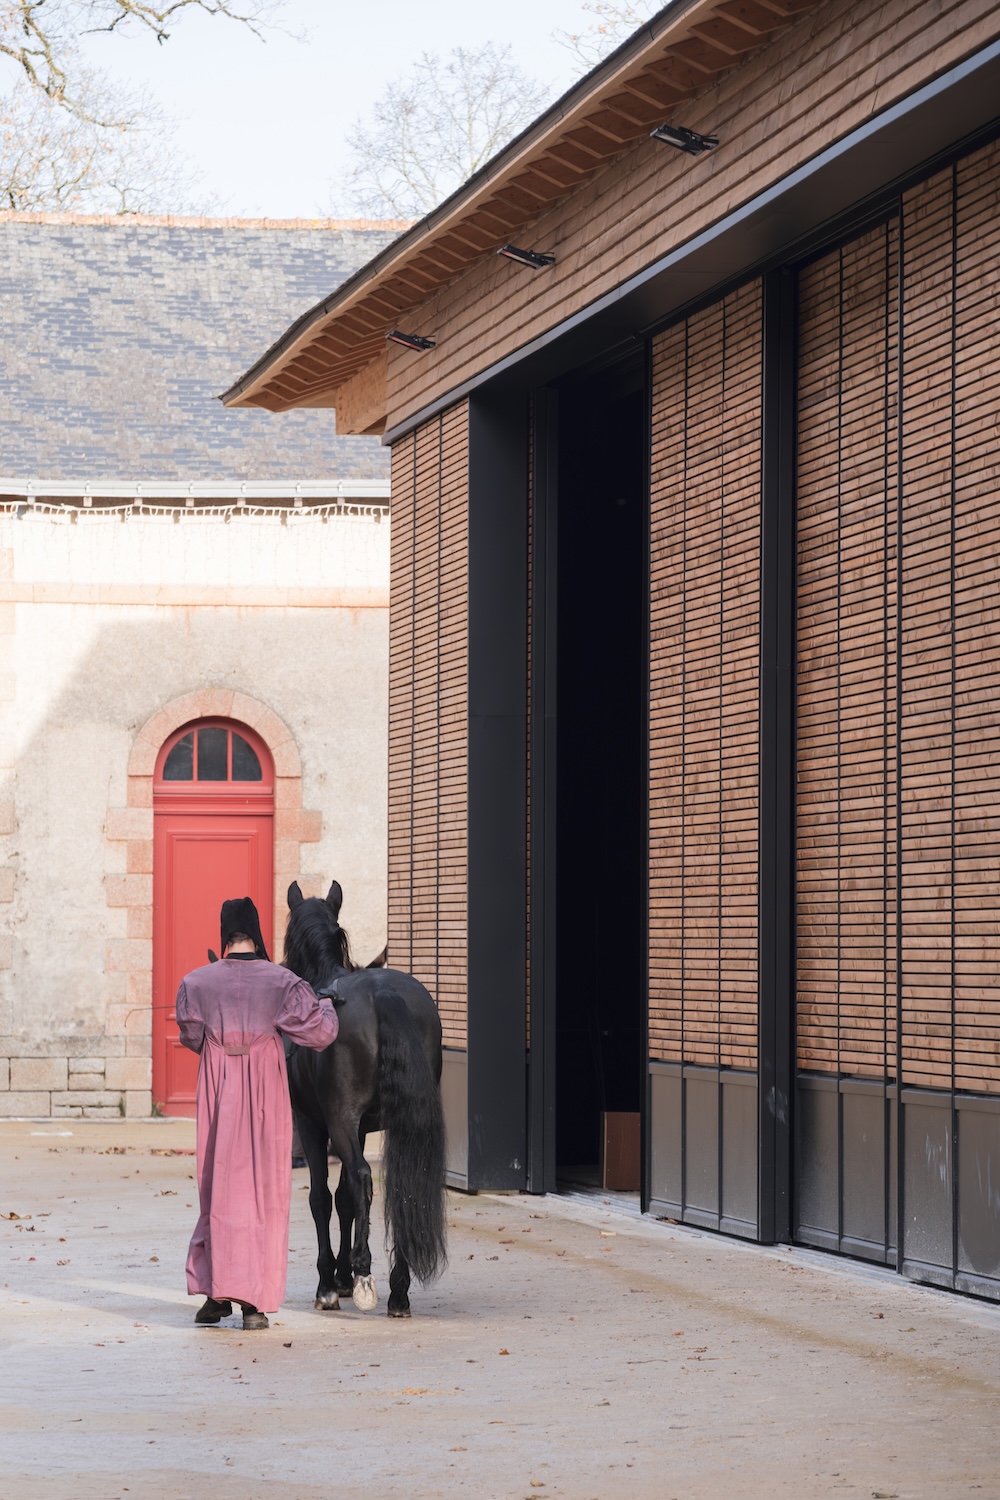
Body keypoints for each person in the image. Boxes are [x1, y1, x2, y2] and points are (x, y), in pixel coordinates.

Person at [176, 895, 338, 1331]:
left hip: (219, 1092)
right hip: (265, 1092)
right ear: (256, 932)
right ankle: (254, 1305)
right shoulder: (283, 982)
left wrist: (221, 1042)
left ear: (224, 935)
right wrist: (326, 1004)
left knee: (219, 1189)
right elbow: (320, 1034)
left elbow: (191, 1035)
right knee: (264, 1190)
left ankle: (216, 1294)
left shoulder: (196, 982)